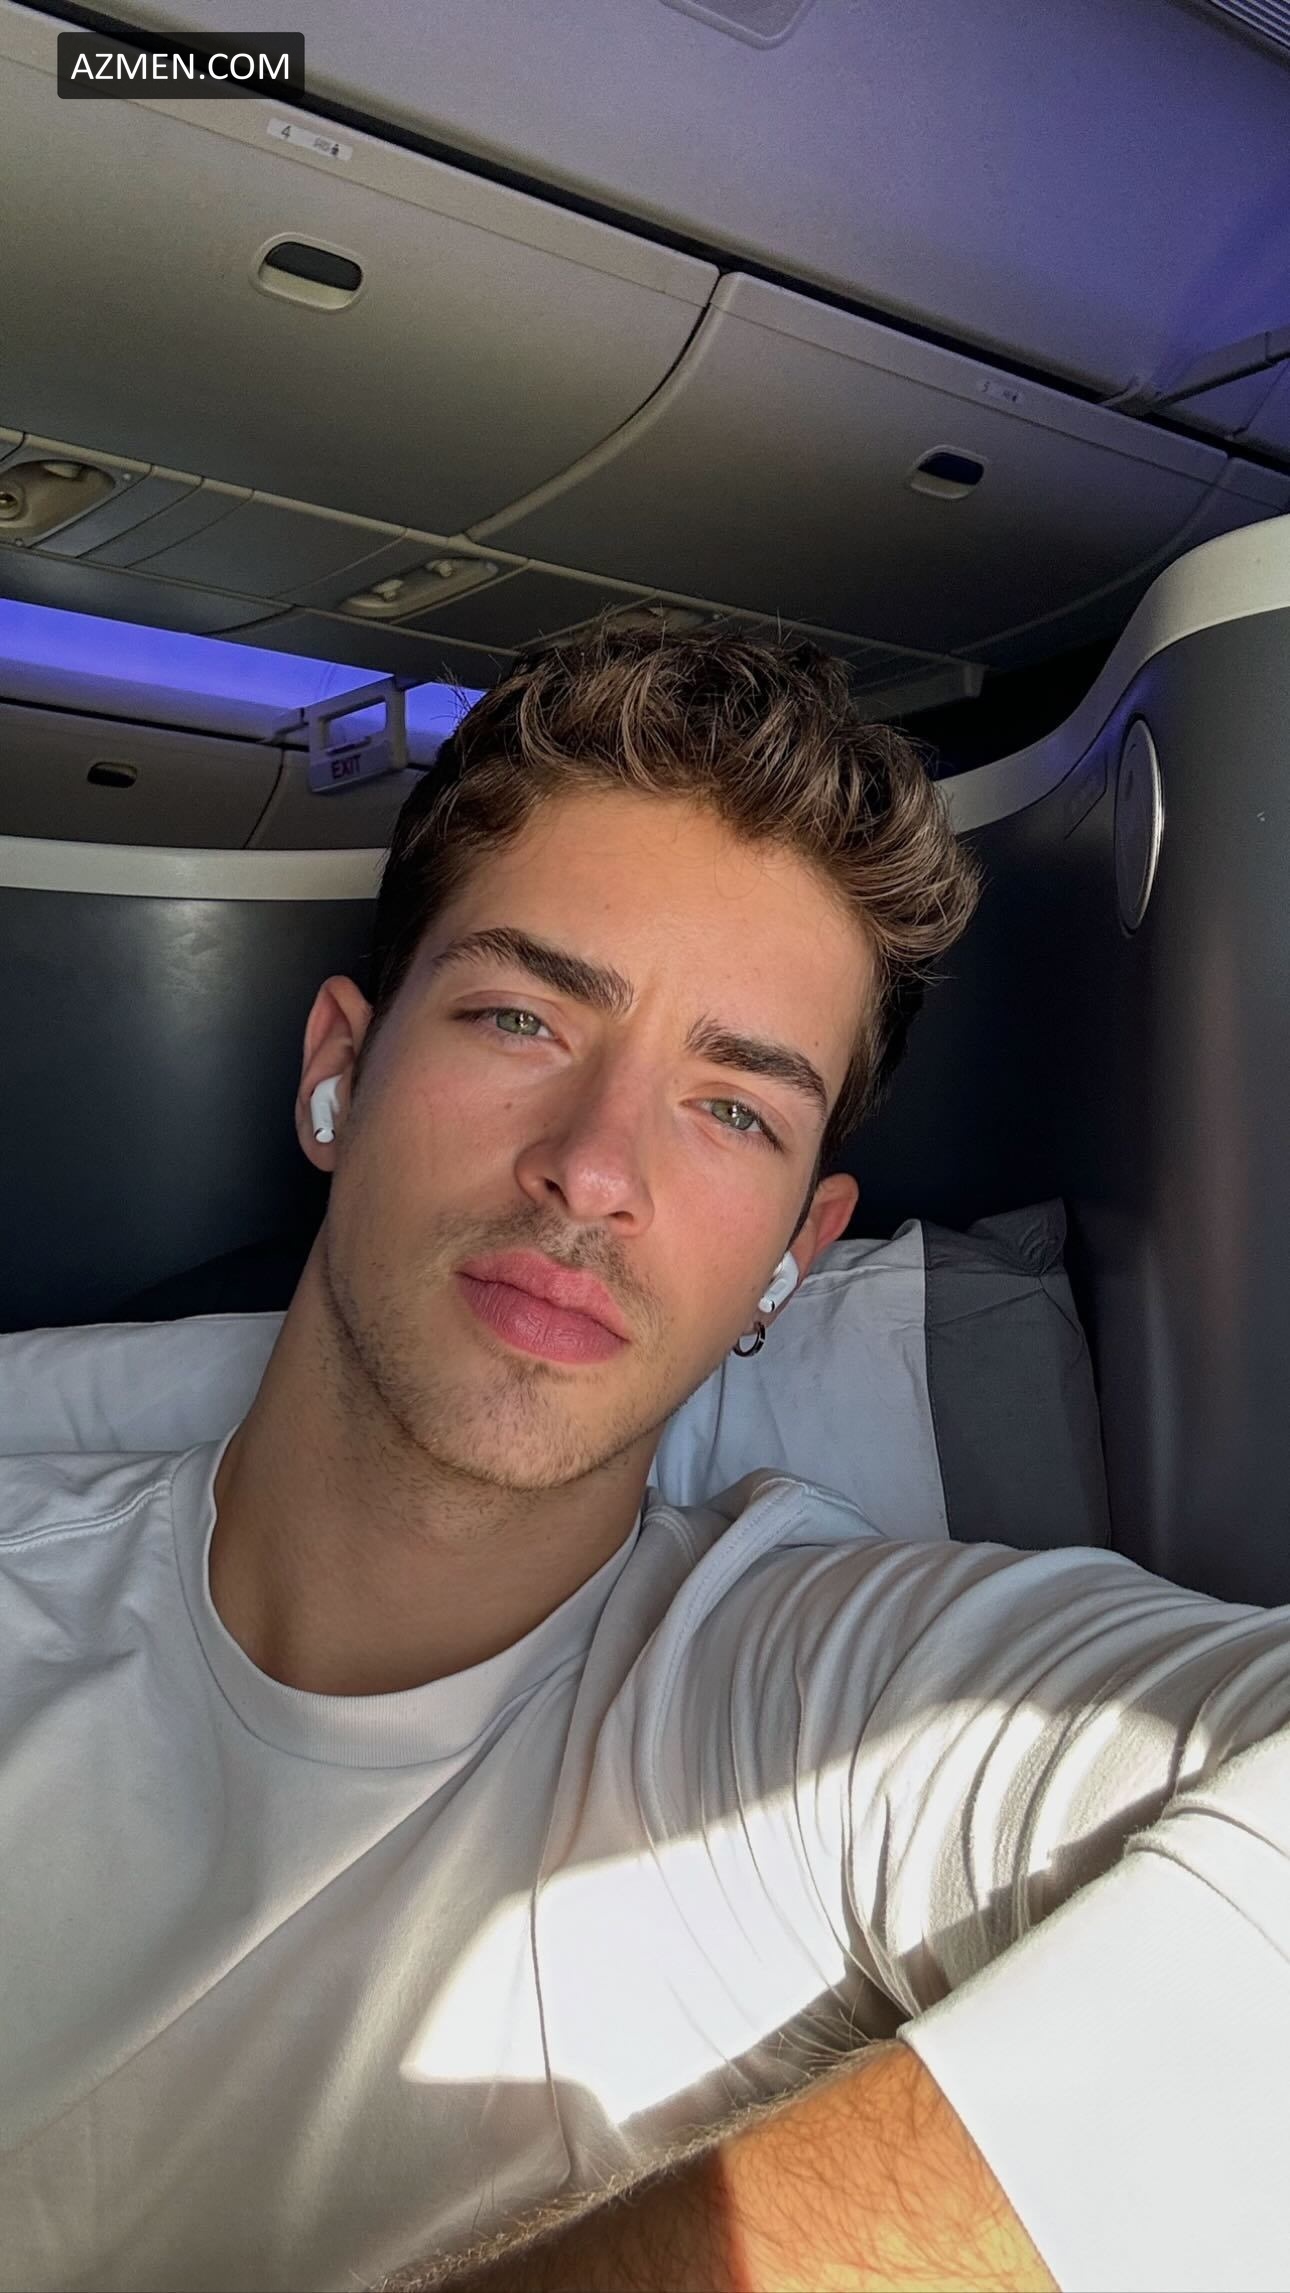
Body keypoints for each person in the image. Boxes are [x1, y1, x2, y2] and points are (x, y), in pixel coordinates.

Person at [2, 628, 1288, 2293]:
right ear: (339, 1070)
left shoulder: (809, 1709)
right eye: (523, 1016)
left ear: (791, 1260)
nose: (595, 1169)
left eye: (735, 1108)